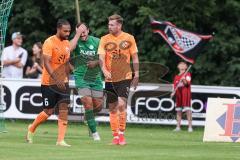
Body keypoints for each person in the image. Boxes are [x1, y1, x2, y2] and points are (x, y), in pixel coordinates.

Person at [26, 19, 73, 147]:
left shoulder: (67, 43)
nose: (68, 33)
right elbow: (46, 63)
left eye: (69, 31)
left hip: (63, 82)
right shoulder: (49, 42)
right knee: (48, 111)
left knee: (63, 110)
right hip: (49, 83)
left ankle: (60, 140)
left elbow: (66, 63)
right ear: (58, 29)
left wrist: (70, 75)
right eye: (65, 31)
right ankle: (31, 128)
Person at [98, 14, 139, 145]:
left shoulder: (129, 38)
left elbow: (135, 57)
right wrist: (104, 70)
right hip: (110, 78)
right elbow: (101, 58)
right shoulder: (104, 39)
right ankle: (115, 136)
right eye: (108, 24)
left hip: (125, 76)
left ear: (119, 25)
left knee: (122, 104)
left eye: (112, 25)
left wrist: (136, 74)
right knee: (112, 108)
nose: (109, 27)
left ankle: (122, 134)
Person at [70, 22, 103, 141]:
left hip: (95, 78)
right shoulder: (76, 41)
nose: (82, 34)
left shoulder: (97, 41)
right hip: (81, 78)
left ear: (88, 30)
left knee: (98, 107)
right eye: (79, 31)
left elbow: (105, 58)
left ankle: (87, 117)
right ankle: (95, 134)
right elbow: (69, 49)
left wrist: (96, 63)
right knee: (88, 103)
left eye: (84, 31)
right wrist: (77, 34)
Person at [171, 61, 193, 132]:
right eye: (180, 64)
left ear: (186, 67)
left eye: (184, 64)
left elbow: (187, 84)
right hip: (178, 95)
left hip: (185, 95)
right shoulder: (176, 77)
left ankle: (190, 127)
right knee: (178, 111)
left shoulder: (187, 74)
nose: (182, 65)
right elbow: (175, 87)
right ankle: (178, 127)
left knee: (188, 110)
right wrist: (173, 92)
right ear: (178, 67)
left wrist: (183, 79)